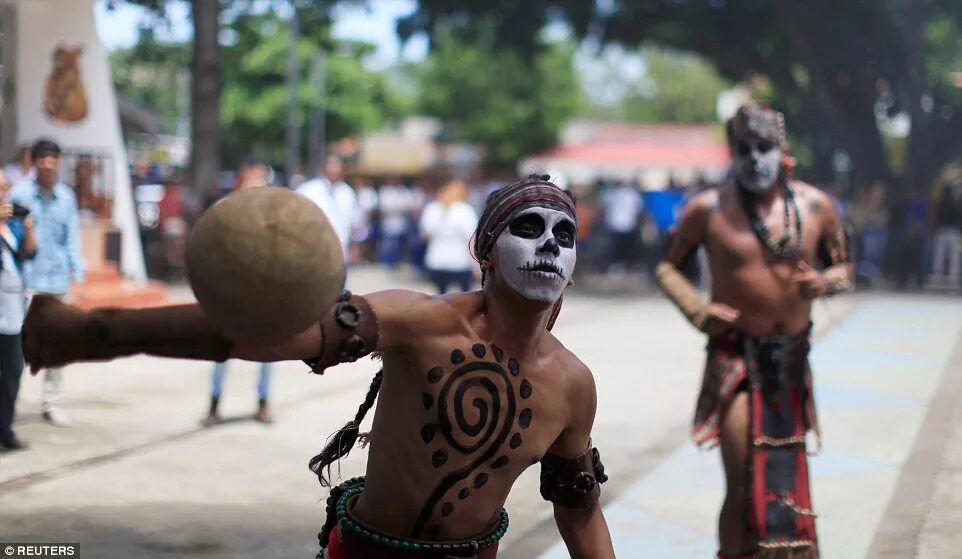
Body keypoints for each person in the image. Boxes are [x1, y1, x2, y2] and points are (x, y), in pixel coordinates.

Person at [22, 174, 615, 559]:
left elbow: (579, 509)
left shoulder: (571, 384)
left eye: (564, 234)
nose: (548, 245)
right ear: (485, 250)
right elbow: (271, 338)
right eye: (528, 227)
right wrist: (99, 332)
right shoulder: (420, 320)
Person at [655, 103, 853, 559]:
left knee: (786, 471)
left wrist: (825, 282)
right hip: (735, 356)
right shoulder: (706, 208)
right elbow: (668, 268)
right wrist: (697, 310)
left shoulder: (816, 205)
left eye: (764, 147)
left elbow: (845, 266)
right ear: (732, 152)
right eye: (744, 149)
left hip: (791, 358)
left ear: (782, 150)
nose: (755, 159)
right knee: (744, 475)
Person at [11, 138, 84, 428]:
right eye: (43, 158)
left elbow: (72, 238)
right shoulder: (20, 194)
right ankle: (10, 401)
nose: (48, 164)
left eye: (53, 158)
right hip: (27, 279)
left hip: (57, 279)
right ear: (35, 161)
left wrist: (77, 272)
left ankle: (51, 403)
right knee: (18, 344)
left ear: (58, 162)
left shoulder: (67, 197)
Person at [205, 157, 275, 425]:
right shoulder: (225, 210)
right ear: (241, 180)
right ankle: (214, 403)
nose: (256, 185)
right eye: (252, 180)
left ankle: (263, 402)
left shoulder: (273, 216)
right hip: (233, 290)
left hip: (263, 289)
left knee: (269, 349)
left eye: (261, 180)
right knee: (222, 349)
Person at [0, 169, 36, 450]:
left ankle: (5, 428)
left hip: (12, 310)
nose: (3, 195)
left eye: (5, 189)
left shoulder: (11, 225)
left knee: (13, 370)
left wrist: (29, 227)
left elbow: (30, 252)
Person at [420, 179, 479, 294]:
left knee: (463, 294)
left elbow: (470, 237)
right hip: (439, 259)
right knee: (442, 294)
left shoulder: (464, 209)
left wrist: (475, 262)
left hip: (459, 260)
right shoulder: (433, 208)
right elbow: (426, 233)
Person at [297, 155, 359, 259]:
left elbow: (354, 222)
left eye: (336, 166)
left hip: (340, 252)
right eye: (331, 166)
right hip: (313, 251)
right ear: (324, 167)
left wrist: (355, 245)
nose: (334, 170)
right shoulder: (308, 190)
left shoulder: (348, 193)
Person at [930, 179, 962, 288]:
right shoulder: (954, 203)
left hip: (945, 231)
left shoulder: (942, 203)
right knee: (952, 256)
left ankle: (939, 276)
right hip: (950, 232)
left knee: (941, 255)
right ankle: (951, 277)